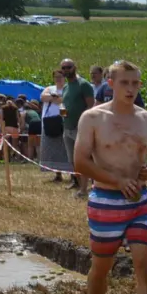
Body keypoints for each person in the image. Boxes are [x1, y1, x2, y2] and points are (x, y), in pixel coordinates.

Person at [73, 60, 147, 294]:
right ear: (110, 84)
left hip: (139, 200)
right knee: (102, 266)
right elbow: (80, 162)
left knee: (142, 261)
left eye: (135, 83)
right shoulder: (93, 118)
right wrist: (116, 181)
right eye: (124, 82)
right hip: (106, 200)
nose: (131, 88)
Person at [61, 59, 98, 195]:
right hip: (67, 127)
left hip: (80, 129)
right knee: (74, 161)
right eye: (63, 68)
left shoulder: (83, 85)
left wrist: (85, 124)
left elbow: (91, 106)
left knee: (85, 159)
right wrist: (62, 109)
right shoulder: (65, 87)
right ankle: (81, 186)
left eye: (68, 67)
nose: (66, 70)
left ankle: (86, 189)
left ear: (74, 67)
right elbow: (63, 103)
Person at [39, 73, 70, 178]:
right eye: (56, 77)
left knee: (66, 149)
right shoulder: (49, 88)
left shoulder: (67, 88)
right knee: (52, 150)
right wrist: (55, 97)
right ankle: (57, 174)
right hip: (49, 122)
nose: (58, 79)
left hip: (63, 120)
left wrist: (54, 98)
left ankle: (72, 175)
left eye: (60, 77)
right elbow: (43, 97)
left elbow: (62, 102)